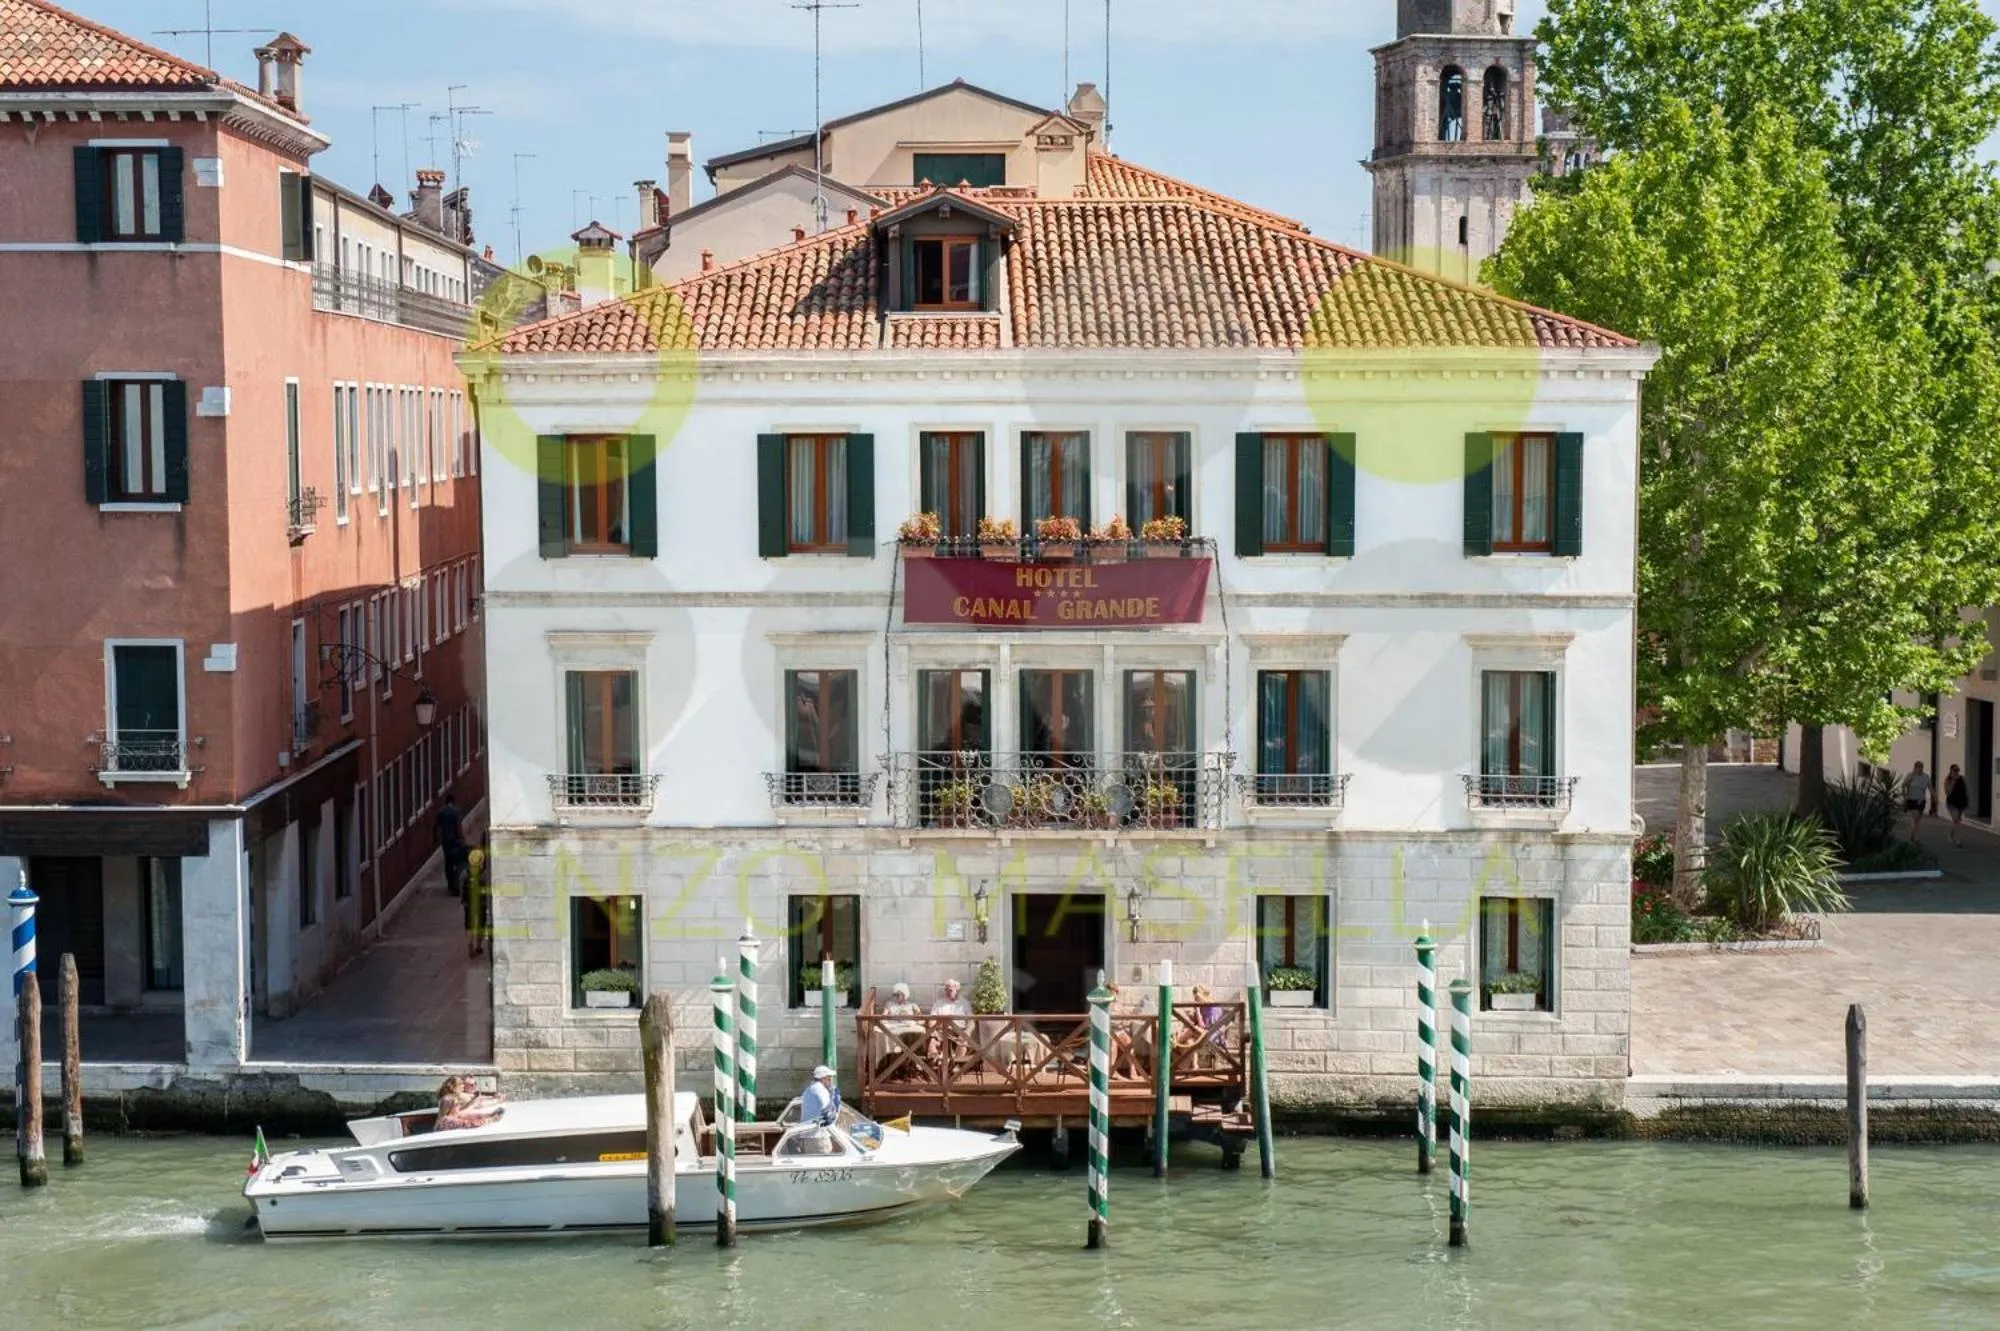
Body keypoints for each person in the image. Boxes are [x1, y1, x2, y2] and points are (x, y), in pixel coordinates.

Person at [435, 793, 469, 899]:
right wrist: (463, 840)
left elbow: (438, 828)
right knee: (458, 862)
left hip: (446, 842)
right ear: (454, 801)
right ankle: (457, 884)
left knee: (448, 862)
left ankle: (450, 885)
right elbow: (459, 827)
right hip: (456, 841)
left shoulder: (441, 812)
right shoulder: (457, 811)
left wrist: (439, 841)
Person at [1905, 761, 1933, 840]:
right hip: (1911, 799)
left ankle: (1912, 834)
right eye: (1918, 767)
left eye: (1921, 767)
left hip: (1921, 800)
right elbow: (1904, 785)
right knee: (1916, 817)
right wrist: (1904, 796)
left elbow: (1930, 788)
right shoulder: (1910, 776)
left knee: (1917, 819)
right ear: (1915, 768)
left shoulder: (1926, 777)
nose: (1920, 769)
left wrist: (1934, 796)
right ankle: (1916, 836)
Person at [1945, 763, 1971, 847]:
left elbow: (1966, 790)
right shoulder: (1948, 780)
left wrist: (1968, 801)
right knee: (1956, 820)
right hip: (1952, 803)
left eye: (1958, 770)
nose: (1956, 772)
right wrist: (1952, 783)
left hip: (1961, 803)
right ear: (1951, 771)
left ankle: (1950, 835)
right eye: (1955, 770)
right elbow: (1947, 793)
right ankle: (1957, 840)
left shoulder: (1962, 778)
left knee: (1956, 821)